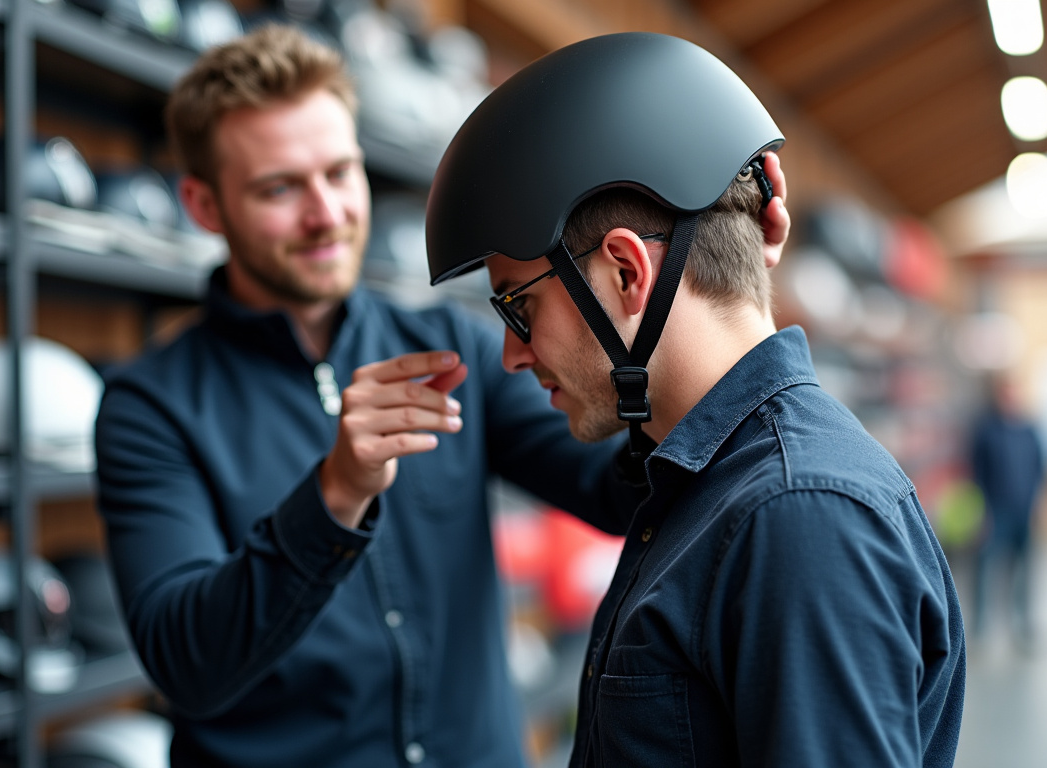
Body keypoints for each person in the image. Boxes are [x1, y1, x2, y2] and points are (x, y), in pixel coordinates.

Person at [93, 24, 793, 768]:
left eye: (339, 172)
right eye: (279, 188)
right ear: (204, 206)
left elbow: (621, 492)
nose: (325, 213)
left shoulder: (451, 352)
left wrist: (681, 337)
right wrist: (333, 497)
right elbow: (185, 665)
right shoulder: (150, 407)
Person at [425, 32, 965, 767]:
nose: (514, 353)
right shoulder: (699, 484)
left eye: (518, 308)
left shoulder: (796, 517)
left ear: (624, 273)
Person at [969, 374, 1046, 643]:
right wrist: (980, 511)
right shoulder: (986, 430)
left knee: (1024, 570)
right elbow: (975, 473)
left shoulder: (1030, 430)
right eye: (1006, 393)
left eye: (1014, 393)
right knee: (986, 569)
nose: (1010, 399)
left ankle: (1022, 625)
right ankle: (980, 627)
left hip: (1023, 511)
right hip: (994, 511)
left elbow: (1040, 468)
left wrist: (1039, 504)